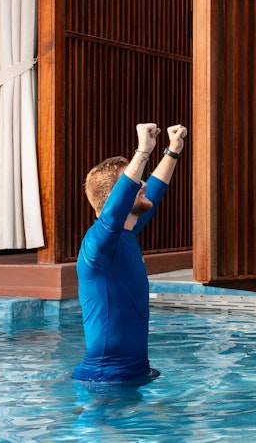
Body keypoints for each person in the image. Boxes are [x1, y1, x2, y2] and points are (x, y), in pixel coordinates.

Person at [72, 122, 188, 385]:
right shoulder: (96, 246)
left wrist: (172, 150)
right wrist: (142, 152)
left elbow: (154, 194)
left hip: (133, 375)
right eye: (137, 181)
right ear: (118, 195)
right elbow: (113, 213)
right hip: (103, 381)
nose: (143, 183)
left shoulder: (126, 236)